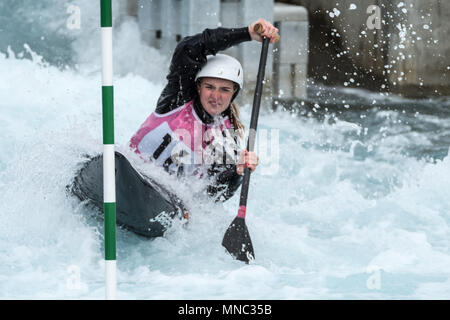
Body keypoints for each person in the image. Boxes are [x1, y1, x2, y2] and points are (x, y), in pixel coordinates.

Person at [129, 19, 279, 202]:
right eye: (210, 87)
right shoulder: (177, 99)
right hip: (133, 171)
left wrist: (238, 172)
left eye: (225, 90)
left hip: (165, 202)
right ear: (199, 87)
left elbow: (214, 194)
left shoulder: (225, 135)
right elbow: (189, 49)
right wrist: (246, 33)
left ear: (233, 94)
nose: (216, 96)